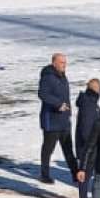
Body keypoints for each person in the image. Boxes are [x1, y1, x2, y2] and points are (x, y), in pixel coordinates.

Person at [38, 53, 78, 185]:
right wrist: (57, 104)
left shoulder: (62, 76)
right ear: (54, 63)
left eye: (65, 63)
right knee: (48, 149)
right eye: (62, 63)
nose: (64, 65)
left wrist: (68, 112)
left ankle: (75, 174)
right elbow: (42, 94)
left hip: (64, 120)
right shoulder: (48, 76)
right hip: (52, 121)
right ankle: (44, 175)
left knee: (68, 149)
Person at [75, 78, 100, 198]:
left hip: (91, 146)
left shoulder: (91, 102)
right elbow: (86, 128)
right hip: (88, 147)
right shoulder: (89, 104)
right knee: (85, 174)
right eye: (98, 88)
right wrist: (93, 143)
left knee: (89, 174)